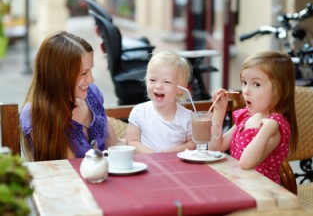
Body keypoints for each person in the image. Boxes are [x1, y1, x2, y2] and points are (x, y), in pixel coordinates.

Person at [20, 31, 119, 161]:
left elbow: (114, 144)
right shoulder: (35, 114)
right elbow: (68, 170)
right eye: (83, 73)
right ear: (58, 76)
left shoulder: (92, 93)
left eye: (90, 70)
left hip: (106, 175)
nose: (91, 80)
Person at [209, 51, 298, 185]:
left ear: (279, 90)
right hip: (240, 186)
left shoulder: (276, 126)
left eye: (256, 84)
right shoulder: (246, 116)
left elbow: (246, 163)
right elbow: (215, 147)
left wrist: (266, 129)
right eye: (244, 82)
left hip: (263, 194)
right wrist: (219, 110)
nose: (245, 90)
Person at [125, 50, 195, 153]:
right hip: (147, 165)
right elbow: (131, 141)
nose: (158, 86)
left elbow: (193, 143)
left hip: (175, 166)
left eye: (166, 82)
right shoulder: (139, 112)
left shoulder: (187, 117)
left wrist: (176, 150)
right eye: (152, 80)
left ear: (180, 89)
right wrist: (155, 156)